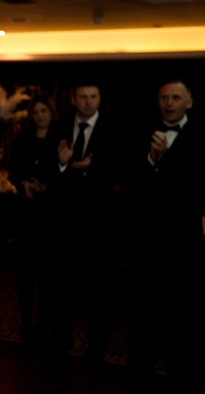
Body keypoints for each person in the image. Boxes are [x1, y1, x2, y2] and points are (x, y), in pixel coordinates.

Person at [126, 79, 204, 388]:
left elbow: (193, 184)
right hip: (147, 240)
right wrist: (151, 159)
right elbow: (133, 183)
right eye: (163, 98)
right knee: (143, 317)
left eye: (175, 97)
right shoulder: (143, 132)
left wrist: (166, 159)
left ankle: (177, 374)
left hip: (184, 242)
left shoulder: (200, 136)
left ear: (189, 102)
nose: (168, 103)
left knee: (181, 319)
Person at [49, 81, 122, 362]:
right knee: (62, 284)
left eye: (93, 96)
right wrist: (64, 164)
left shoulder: (113, 128)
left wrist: (93, 169)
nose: (89, 101)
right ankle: (61, 339)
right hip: (65, 222)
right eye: (83, 96)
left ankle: (98, 345)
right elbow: (49, 171)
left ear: (100, 98)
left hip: (100, 223)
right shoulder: (60, 126)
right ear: (73, 98)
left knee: (99, 288)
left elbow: (121, 170)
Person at [8, 94, 58, 343]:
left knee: (48, 274)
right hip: (25, 213)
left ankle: (45, 321)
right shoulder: (22, 138)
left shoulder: (61, 139)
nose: (39, 116)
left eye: (43, 111)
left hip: (50, 216)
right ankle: (26, 320)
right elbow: (12, 169)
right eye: (36, 112)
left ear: (51, 112)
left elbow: (63, 175)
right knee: (24, 272)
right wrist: (24, 183)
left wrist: (45, 187)